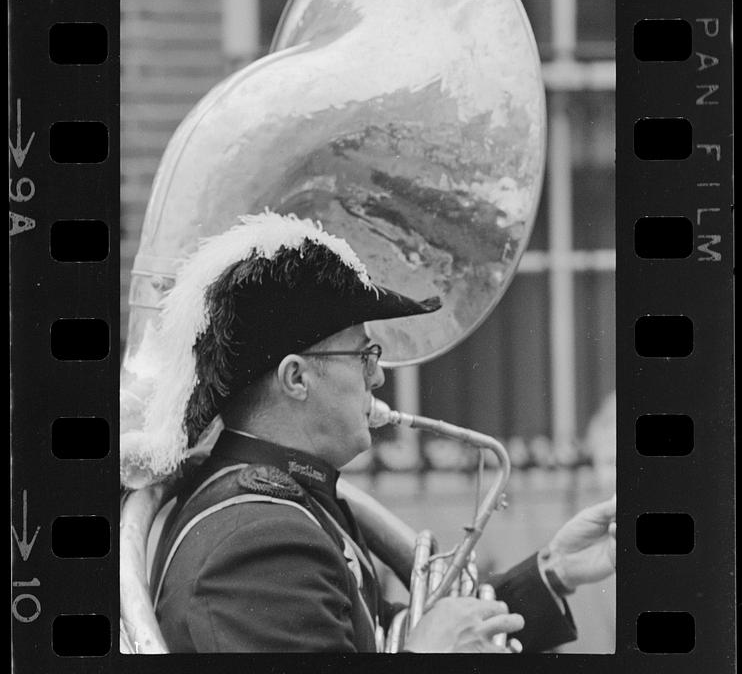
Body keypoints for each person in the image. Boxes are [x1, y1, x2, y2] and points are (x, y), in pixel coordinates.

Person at [124, 212, 615, 653]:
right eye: (363, 355)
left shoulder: (293, 506)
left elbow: (384, 637)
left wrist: (556, 572)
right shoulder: (259, 541)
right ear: (296, 378)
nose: (377, 377)